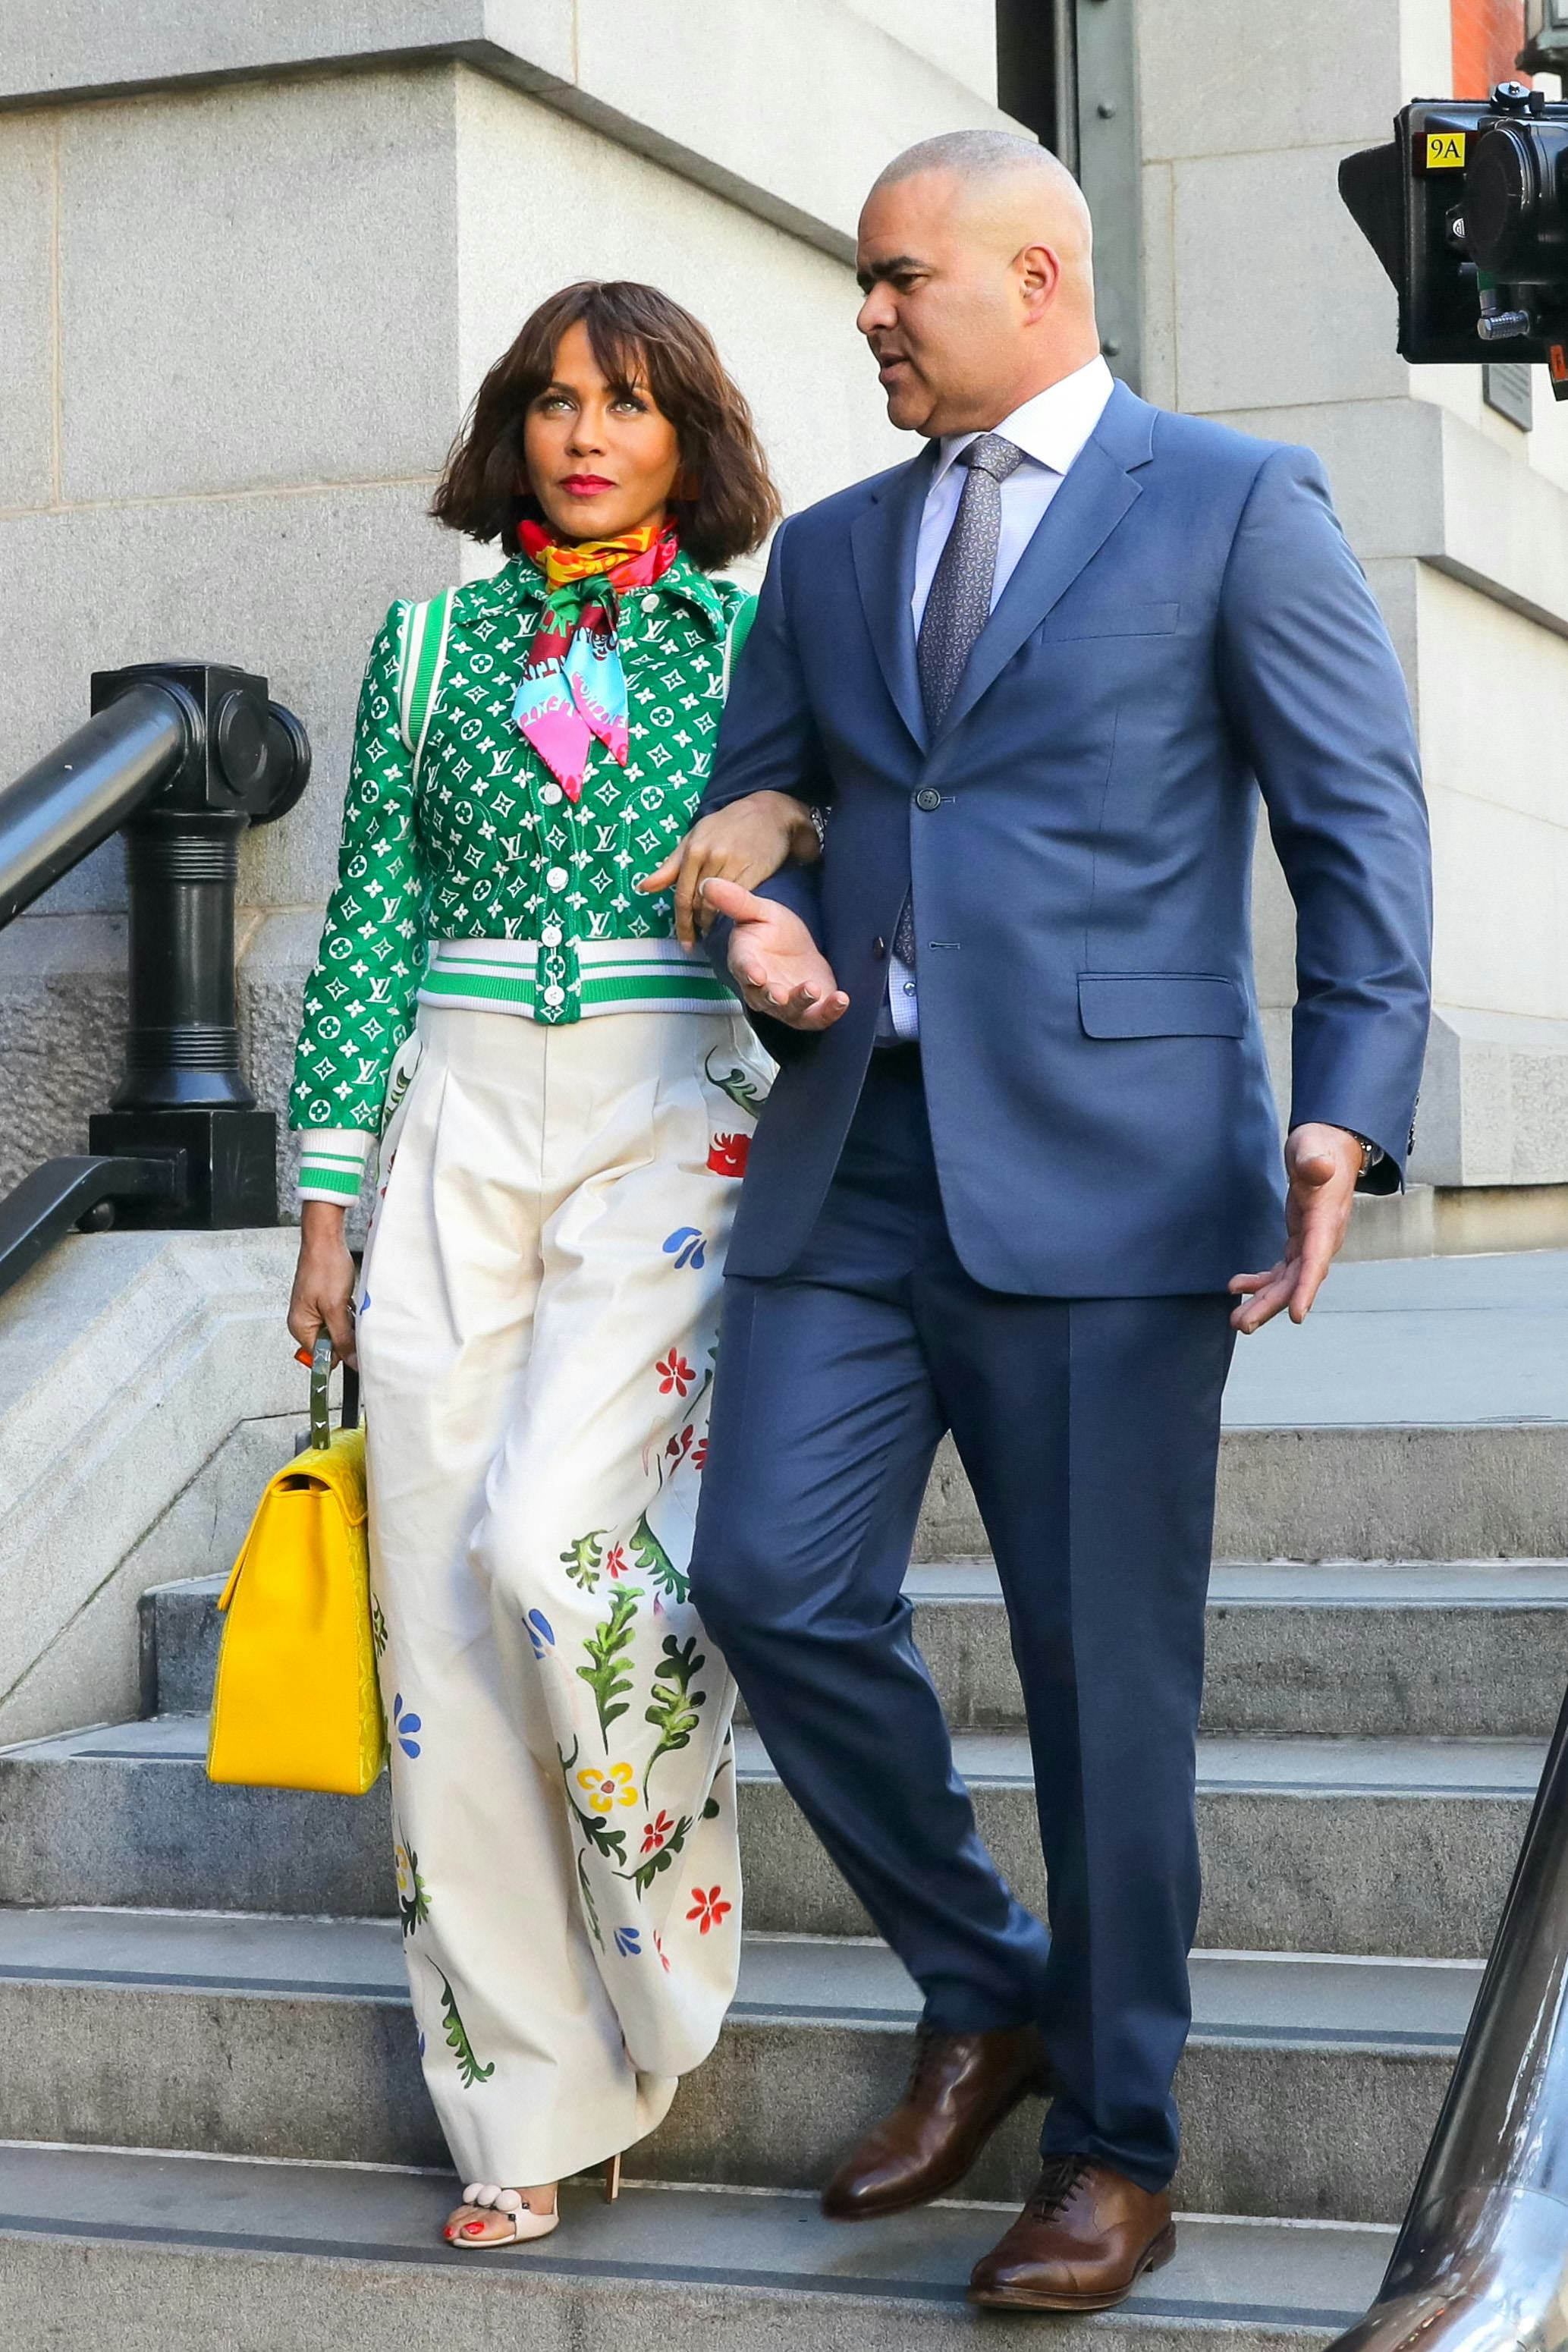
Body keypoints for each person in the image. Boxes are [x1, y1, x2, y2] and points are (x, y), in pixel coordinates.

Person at [673, 131, 1432, 2311]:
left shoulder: (1227, 502)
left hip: (1116, 1181)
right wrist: (767, 926)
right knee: (767, 1580)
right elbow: (772, 813)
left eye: (900, 277)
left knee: (1110, 1685)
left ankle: (1113, 2140)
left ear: (1036, 270)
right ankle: (986, 1974)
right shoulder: (823, 552)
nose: (868, 313)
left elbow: (1353, 824)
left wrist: (1343, 1114)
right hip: (855, 1158)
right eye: (861, 281)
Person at [285, 280, 793, 2250]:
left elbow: (818, 852)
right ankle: (522, 2103)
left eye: (630, 402)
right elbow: (358, 932)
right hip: (453, 1121)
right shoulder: (421, 651)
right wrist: (325, 1200)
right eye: (557, 399)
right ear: (515, 424)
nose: (587, 432)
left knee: (550, 1549)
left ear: (687, 436)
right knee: (432, 1617)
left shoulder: (754, 643)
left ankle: (661, 1922)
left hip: (670, 1110)